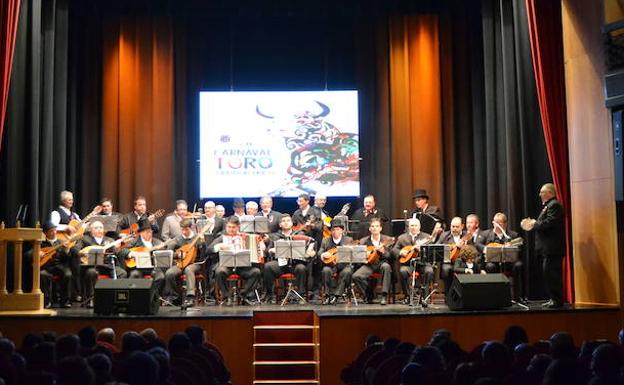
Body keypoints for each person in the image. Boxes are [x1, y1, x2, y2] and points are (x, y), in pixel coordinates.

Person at [521, 183, 565, 308]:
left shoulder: (554, 205)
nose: (540, 194)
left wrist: (534, 224)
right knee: (548, 274)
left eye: (542, 192)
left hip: (553, 248)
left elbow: (550, 223)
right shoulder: (549, 206)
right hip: (548, 249)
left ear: (550, 193)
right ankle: (554, 299)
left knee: (552, 274)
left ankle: (557, 300)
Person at [263, 214, 315, 304]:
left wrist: (311, 252)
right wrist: (271, 250)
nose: (286, 223)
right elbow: (268, 251)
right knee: (268, 266)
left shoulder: (300, 234)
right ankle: (270, 295)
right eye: (283, 221)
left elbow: (310, 247)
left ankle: (301, 295)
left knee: (301, 268)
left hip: (296, 263)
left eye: (288, 220)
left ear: (291, 223)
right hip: (281, 264)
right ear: (280, 225)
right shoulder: (275, 236)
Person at [209, 217, 262, 305]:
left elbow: (257, 249)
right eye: (229, 227)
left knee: (256, 272)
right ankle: (227, 296)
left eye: (233, 227)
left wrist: (259, 247)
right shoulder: (221, 237)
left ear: (238, 227)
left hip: (242, 266)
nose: (231, 229)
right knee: (220, 271)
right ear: (226, 227)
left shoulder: (245, 237)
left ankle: (242, 294)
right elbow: (209, 249)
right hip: (227, 265)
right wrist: (219, 246)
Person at [74, 221, 128, 307]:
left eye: (101, 228)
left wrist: (117, 248)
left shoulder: (109, 240)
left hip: (107, 266)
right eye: (96, 228)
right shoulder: (85, 239)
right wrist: (81, 253)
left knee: (122, 273)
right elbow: (75, 249)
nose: (99, 230)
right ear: (91, 231)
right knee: (91, 272)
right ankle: (91, 299)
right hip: (93, 266)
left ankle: (116, 297)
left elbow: (115, 253)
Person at [163, 219, 208, 306]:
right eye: (182, 229)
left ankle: (190, 297)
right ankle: (174, 297)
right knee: (169, 273)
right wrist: (178, 255)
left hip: (194, 264)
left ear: (191, 228)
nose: (184, 231)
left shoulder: (197, 238)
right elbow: (169, 252)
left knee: (188, 270)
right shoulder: (178, 239)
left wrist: (202, 242)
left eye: (186, 229)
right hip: (181, 264)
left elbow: (204, 254)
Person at [483, 212, 525, 302]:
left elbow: (520, 247)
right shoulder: (486, 234)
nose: (497, 225)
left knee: (519, 265)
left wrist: (512, 247)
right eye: (495, 223)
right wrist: (486, 248)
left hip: (509, 263)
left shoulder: (513, 235)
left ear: (505, 223)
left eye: (500, 223)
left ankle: (517, 296)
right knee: (490, 266)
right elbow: (478, 244)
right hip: (493, 263)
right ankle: (493, 296)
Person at [392, 218, 435, 304]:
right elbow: (394, 250)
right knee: (403, 271)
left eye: (416, 225)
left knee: (429, 271)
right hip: (408, 264)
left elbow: (431, 253)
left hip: (423, 263)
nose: (414, 227)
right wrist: (400, 252)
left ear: (419, 227)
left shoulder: (426, 237)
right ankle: (408, 296)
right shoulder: (402, 238)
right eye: (412, 225)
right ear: (408, 227)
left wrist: (421, 251)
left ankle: (424, 297)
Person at [352, 218, 394, 305]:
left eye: (377, 226)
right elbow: (358, 257)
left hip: (382, 263)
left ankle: (384, 295)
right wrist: (365, 256)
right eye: (373, 226)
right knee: (356, 276)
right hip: (369, 265)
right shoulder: (363, 241)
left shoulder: (387, 239)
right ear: (370, 229)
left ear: (380, 228)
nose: (375, 228)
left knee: (386, 267)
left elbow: (391, 256)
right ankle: (369, 294)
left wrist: (384, 252)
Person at [118, 219, 166, 293]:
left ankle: (151, 296)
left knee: (160, 277)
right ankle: (135, 297)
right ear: (141, 233)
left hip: (152, 268)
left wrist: (161, 249)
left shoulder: (157, 242)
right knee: (134, 275)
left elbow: (164, 255)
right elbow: (121, 250)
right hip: (137, 268)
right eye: (147, 232)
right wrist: (131, 254)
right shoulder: (133, 241)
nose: (149, 234)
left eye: (151, 231)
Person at [319, 220, 354, 305]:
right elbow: (320, 252)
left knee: (348, 271)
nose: (335, 232)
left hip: (343, 265)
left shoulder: (348, 240)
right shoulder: (325, 240)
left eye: (338, 229)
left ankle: (337, 295)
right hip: (331, 265)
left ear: (342, 230)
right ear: (331, 231)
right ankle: (328, 295)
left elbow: (353, 254)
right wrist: (323, 254)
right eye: (333, 230)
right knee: (325, 270)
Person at [39, 221, 72, 308]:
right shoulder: (40, 244)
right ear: (45, 233)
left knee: (67, 274)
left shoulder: (61, 242)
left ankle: (65, 301)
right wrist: (38, 253)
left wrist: (66, 251)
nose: (54, 232)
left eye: (55, 230)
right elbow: (28, 254)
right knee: (42, 274)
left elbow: (67, 258)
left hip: (60, 267)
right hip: (46, 267)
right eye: (51, 231)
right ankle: (46, 301)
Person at [436, 216, 466, 294]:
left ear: (462, 226)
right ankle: (448, 294)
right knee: (446, 269)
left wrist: (464, 247)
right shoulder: (444, 235)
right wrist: (450, 247)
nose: (454, 229)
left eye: (457, 227)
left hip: (463, 261)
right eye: (453, 226)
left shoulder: (467, 236)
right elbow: (437, 247)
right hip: (448, 261)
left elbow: (472, 250)